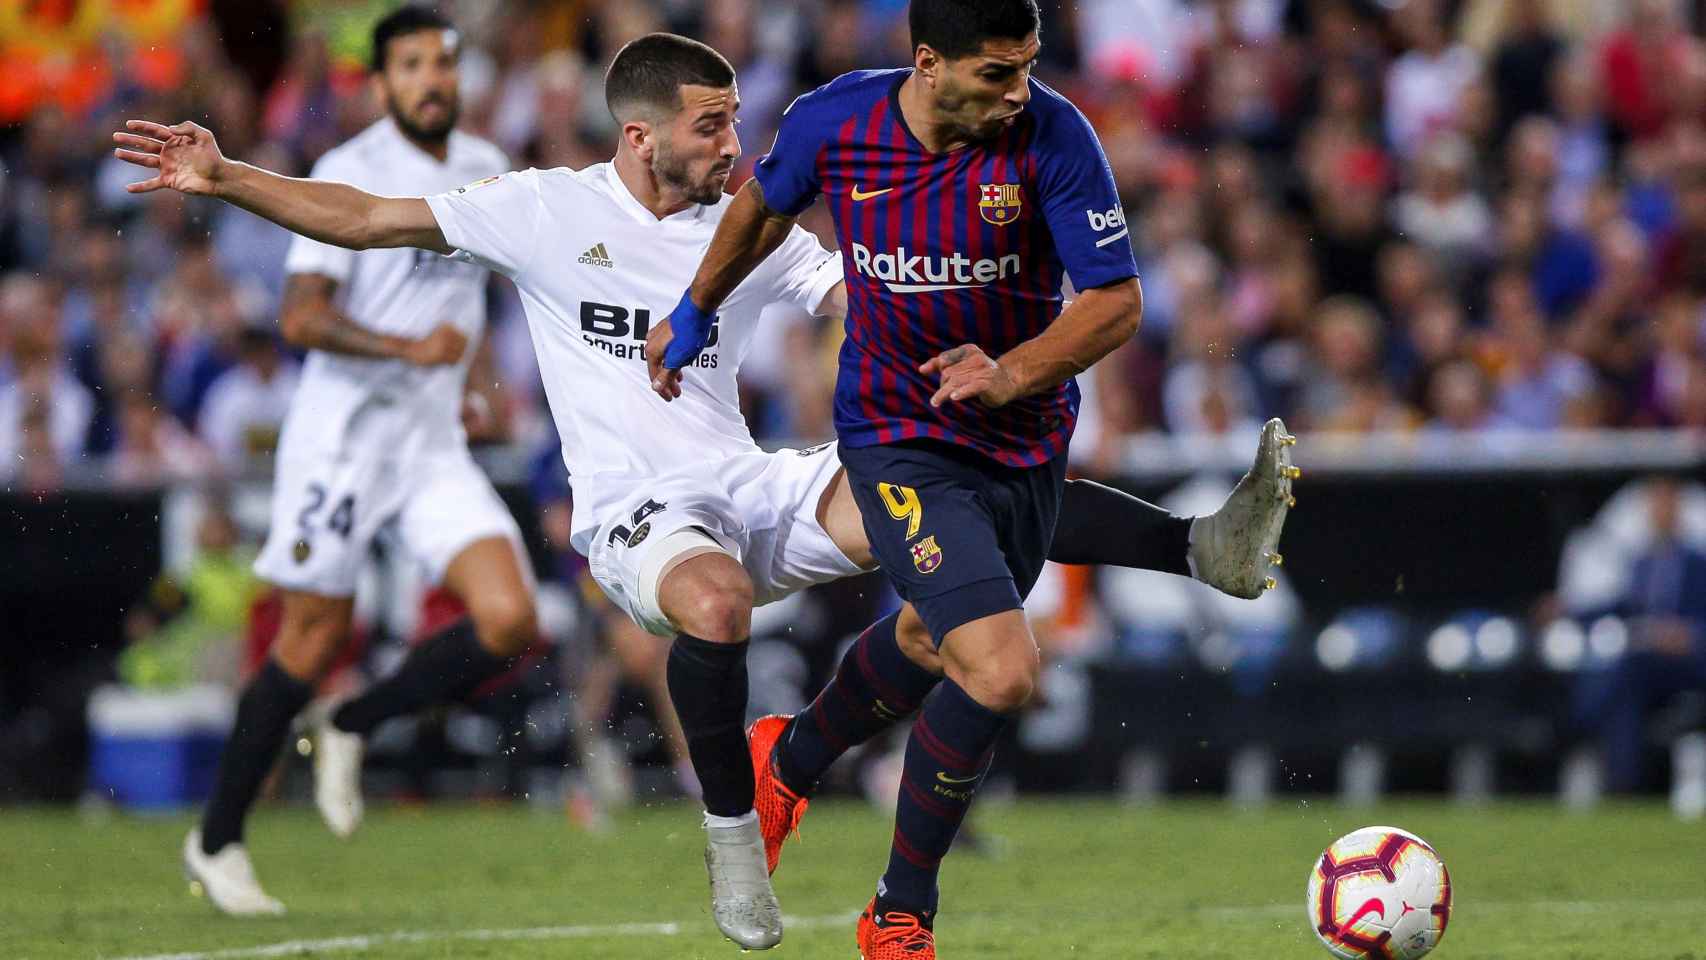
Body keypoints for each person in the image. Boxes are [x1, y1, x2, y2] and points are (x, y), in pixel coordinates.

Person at [114, 28, 1294, 948]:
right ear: (640, 136)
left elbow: (843, 289)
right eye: (712, 124)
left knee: (941, 501)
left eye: (736, 120)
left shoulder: (753, 225)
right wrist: (226, 180)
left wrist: (926, 336)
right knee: (718, 606)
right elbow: (367, 217)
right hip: (637, 508)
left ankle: (1195, 547)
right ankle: (734, 831)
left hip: (747, 477)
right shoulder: (542, 209)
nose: (736, 143)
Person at [647, 3, 1296, 956]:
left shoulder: (1055, 135)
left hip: (1022, 432)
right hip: (896, 436)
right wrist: (696, 306)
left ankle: (785, 759)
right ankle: (899, 911)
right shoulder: (838, 122)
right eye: (997, 72)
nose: (1017, 91)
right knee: (997, 665)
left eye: (1029, 66)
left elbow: (1116, 300)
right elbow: (760, 204)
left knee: (925, 632)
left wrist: (1013, 374)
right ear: (928, 64)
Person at [163, 7, 539, 916]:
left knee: (510, 618)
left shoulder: (483, 161)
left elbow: (467, 288)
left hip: (431, 443)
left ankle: (350, 722)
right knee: (312, 637)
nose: (432, 80)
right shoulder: (349, 171)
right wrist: (403, 353)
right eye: (411, 65)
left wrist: (476, 370)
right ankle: (215, 841)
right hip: (341, 439)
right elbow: (299, 318)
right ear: (380, 82)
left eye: (442, 63)